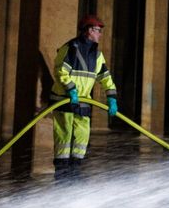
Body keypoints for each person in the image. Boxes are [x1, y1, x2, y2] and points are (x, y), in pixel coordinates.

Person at [50, 14, 118, 178]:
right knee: (64, 136)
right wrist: (71, 90)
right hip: (64, 100)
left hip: (83, 102)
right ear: (88, 30)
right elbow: (61, 72)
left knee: (82, 136)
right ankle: (61, 173)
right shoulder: (70, 48)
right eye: (98, 30)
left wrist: (112, 97)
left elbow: (105, 77)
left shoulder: (96, 55)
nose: (100, 34)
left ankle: (75, 171)